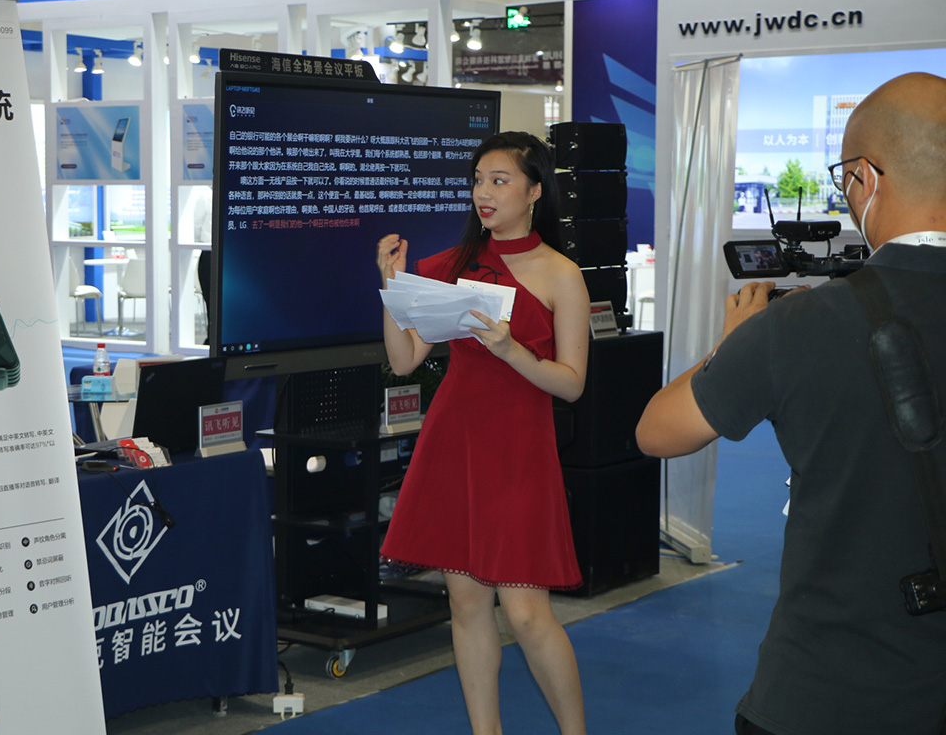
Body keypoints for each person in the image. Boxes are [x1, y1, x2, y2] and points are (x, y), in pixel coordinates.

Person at [636, 72, 946, 734]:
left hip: (827, 693)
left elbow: (658, 432)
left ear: (865, 178)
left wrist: (731, 345)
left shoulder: (799, 326)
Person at [377, 131, 590, 735]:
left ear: (535, 192)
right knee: (466, 603)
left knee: (525, 613)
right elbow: (404, 360)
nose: (483, 193)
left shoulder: (561, 274)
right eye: (477, 180)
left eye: (499, 180)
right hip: (454, 444)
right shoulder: (451, 267)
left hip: (520, 449)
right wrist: (391, 288)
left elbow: (572, 383)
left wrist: (510, 349)